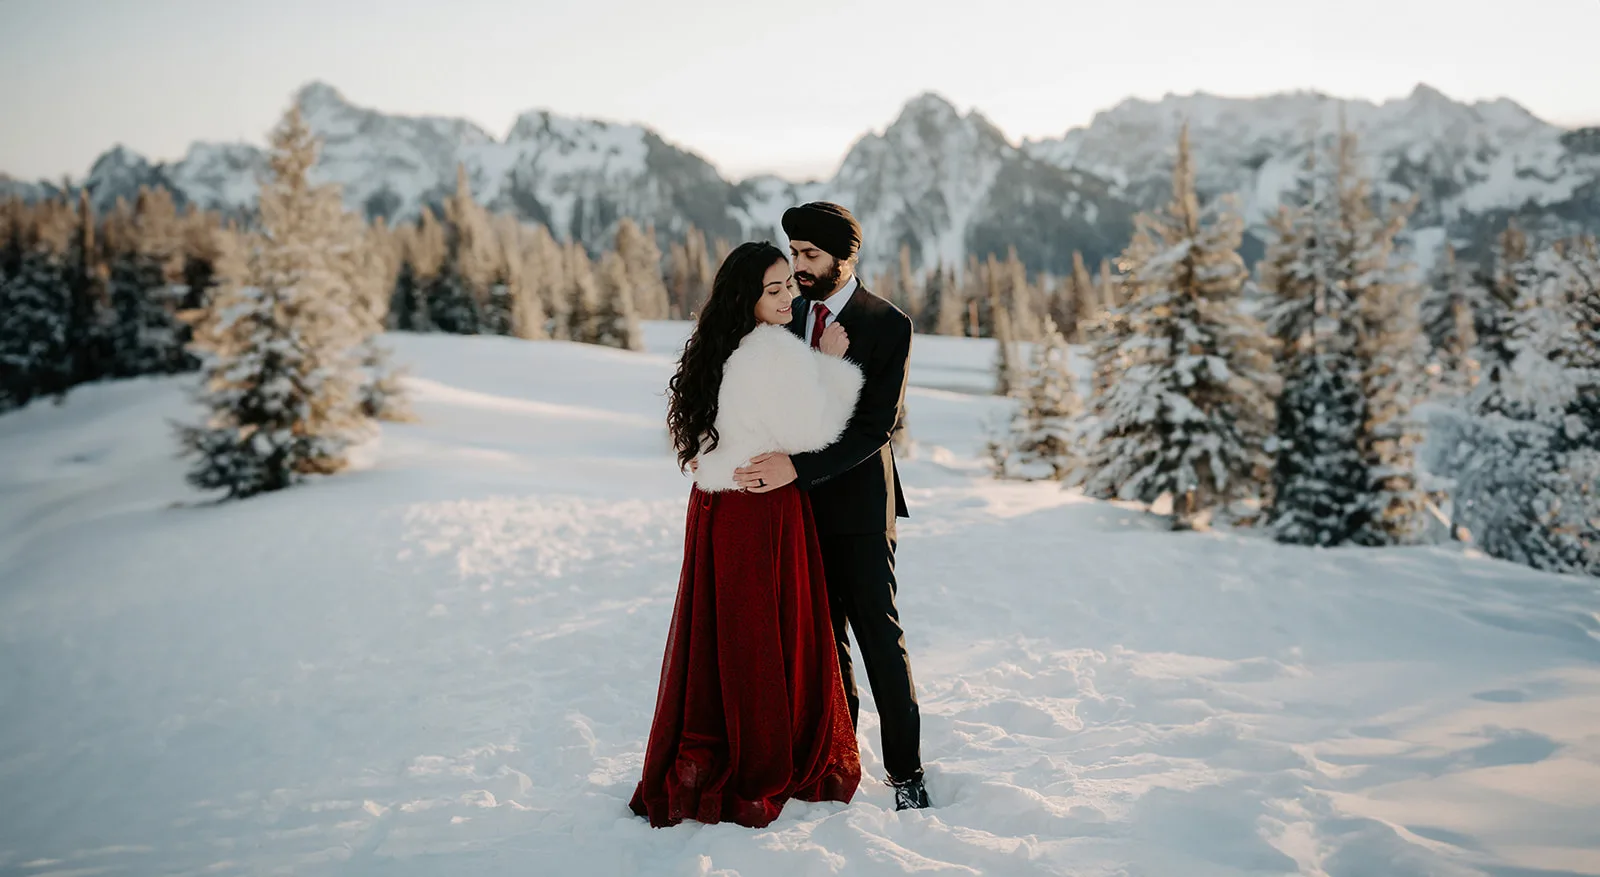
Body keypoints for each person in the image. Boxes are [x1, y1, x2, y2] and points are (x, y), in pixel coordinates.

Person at [629, 241, 863, 829]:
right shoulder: (770, 353)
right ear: (748, 297)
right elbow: (815, 432)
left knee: (723, 634)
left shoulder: (717, 348)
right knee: (766, 637)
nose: (789, 298)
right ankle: (760, 752)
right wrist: (833, 366)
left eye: (789, 284)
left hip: (717, 508)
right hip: (763, 511)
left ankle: (717, 743)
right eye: (775, 290)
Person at [732, 202, 930, 811]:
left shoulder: (888, 324)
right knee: (822, 643)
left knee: (879, 638)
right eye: (793, 254)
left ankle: (906, 773)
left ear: (847, 259)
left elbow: (875, 428)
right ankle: (838, 759)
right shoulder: (785, 319)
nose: (799, 267)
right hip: (797, 513)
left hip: (863, 512)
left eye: (810, 255)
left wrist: (798, 466)